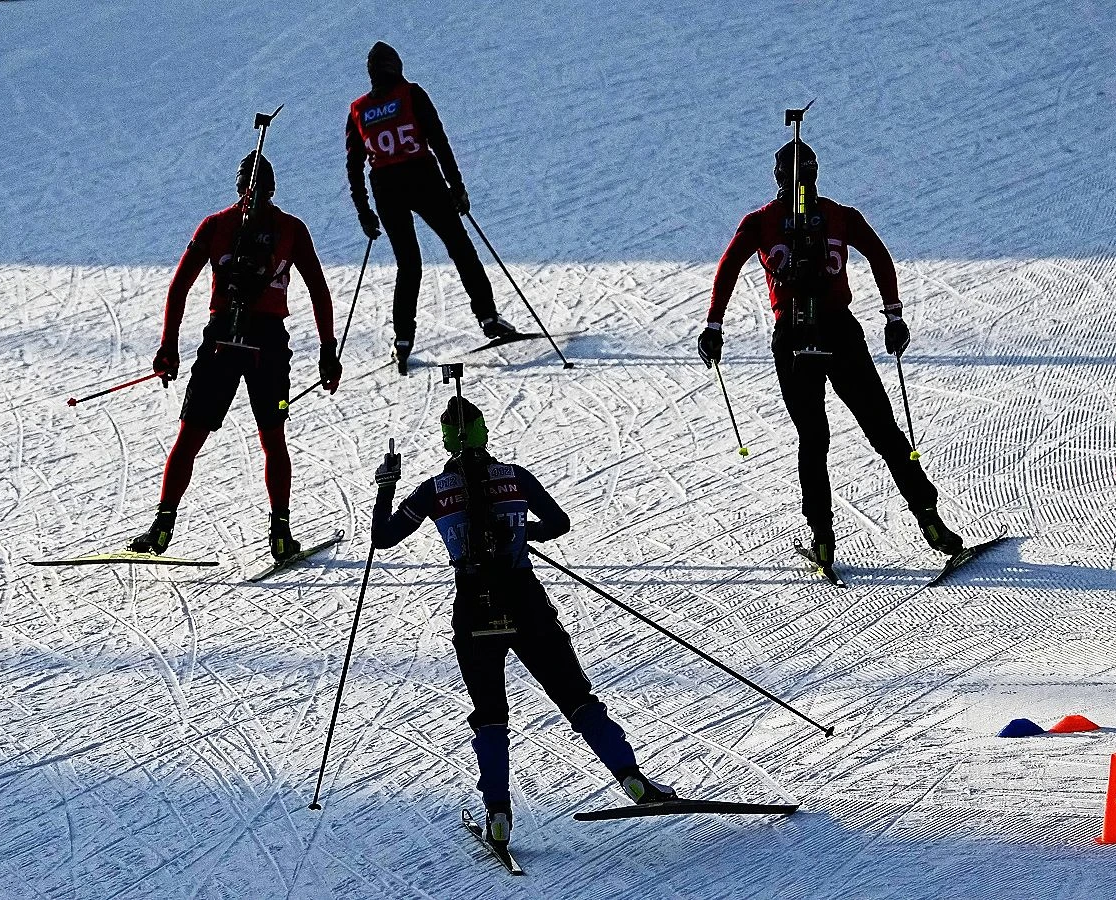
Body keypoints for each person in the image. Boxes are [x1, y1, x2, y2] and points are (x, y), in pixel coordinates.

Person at [370, 396, 672, 850]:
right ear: (485, 433)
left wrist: (387, 484)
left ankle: (498, 816)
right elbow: (559, 523)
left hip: (474, 607)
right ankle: (632, 778)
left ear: (447, 440)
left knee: (490, 714)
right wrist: (521, 533)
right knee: (575, 697)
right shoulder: (515, 476)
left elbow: (382, 539)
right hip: (525, 599)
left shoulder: (434, 490)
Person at [695, 138, 962, 569]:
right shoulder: (840, 215)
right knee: (883, 431)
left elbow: (727, 267)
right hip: (841, 331)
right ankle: (931, 521)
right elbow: (879, 256)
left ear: (777, 176)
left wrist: (714, 325)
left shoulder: (760, 221)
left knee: (813, 440)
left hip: (793, 338)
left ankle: (822, 539)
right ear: (816, 172)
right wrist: (893, 315)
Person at [127, 152, 342, 562]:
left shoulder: (216, 225)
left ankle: (162, 526)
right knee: (273, 440)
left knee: (190, 437)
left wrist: (168, 346)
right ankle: (281, 533)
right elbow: (318, 290)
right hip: (269, 345)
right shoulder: (291, 229)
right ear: (273, 187)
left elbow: (179, 287)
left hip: (221, 341)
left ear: (239, 187)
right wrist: (327, 351)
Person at [345, 41, 518, 375]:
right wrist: (457, 186)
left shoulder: (358, 109)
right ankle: (488, 317)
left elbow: (354, 165)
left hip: (385, 188)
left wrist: (363, 210)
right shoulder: (411, 94)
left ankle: (403, 340)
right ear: (397, 66)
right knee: (460, 247)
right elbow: (438, 139)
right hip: (422, 178)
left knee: (408, 265)